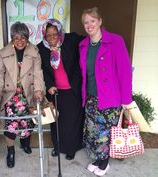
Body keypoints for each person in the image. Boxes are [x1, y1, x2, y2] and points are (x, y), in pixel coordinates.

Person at [79, 7, 133, 176]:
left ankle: (104, 163)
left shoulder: (115, 41)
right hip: (91, 97)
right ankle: (98, 159)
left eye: (92, 21)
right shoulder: (84, 45)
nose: (89, 25)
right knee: (94, 132)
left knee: (106, 132)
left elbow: (125, 71)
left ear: (100, 21)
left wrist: (126, 99)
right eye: (86, 22)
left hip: (110, 98)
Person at [0, 21, 45, 168]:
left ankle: (25, 143)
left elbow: (38, 73)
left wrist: (38, 90)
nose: (20, 41)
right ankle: (11, 150)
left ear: (27, 37)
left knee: (28, 121)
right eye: (16, 38)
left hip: (28, 93)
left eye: (23, 37)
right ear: (12, 38)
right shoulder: (4, 53)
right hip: (11, 94)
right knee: (11, 124)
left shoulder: (34, 51)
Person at [37, 18, 85, 160]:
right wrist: (50, 84)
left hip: (72, 90)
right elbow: (43, 70)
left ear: (60, 32)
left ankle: (71, 148)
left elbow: (89, 40)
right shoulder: (41, 48)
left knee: (72, 122)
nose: (52, 38)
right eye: (48, 35)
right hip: (55, 91)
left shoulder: (71, 40)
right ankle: (58, 147)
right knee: (56, 121)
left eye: (54, 34)